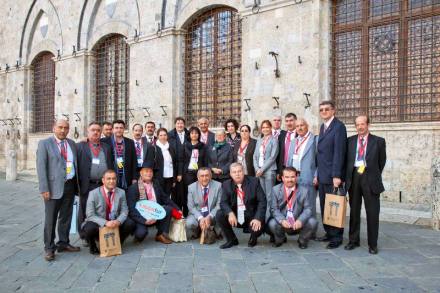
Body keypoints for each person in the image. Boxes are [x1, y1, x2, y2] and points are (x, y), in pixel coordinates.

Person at [36, 119, 81, 261]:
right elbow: (41, 167)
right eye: (60, 127)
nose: (63, 130)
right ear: (54, 128)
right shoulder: (45, 144)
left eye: (66, 128)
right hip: (52, 188)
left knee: (66, 217)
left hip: (70, 185)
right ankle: (49, 248)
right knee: (51, 219)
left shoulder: (72, 144)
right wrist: (44, 188)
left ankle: (63, 243)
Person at [344, 115, 386, 254]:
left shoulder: (379, 141)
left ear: (368, 125)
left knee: (372, 212)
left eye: (362, 124)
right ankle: (353, 240)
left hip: (370, 178)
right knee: (354, 211)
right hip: (354, 176)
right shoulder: (349, 141)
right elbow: (346, 161)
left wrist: (372, 174)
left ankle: (372, 244)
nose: (360, 127)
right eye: (357, 124)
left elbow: (381, 162)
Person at [316, 100, 347, 249]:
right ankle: (329, 232)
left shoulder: (339, 127)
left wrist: (336, 175)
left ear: (333, 111)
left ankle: (337, 237)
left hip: (332, 176)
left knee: (334, 206)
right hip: (322, 174)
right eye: (321, 110)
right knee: (324, 206)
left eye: (326, 109)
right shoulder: (323, 127)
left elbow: (339, 153)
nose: (323, 112)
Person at [81, 170, 135, 254]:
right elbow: (90, 215)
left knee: (130, 223)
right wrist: (105, 223)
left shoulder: (121, 192)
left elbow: (125, 210)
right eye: (108, 179)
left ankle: (118, 243)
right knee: (88, 228)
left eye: (114, 179)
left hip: (115, 222)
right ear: (103, 180)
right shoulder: (93, 193)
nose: (111, 181)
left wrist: (118, 221)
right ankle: (93, 245)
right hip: (99, 224)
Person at [76, 122, 113, 240]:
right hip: (87, 184)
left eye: (98, 130)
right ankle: (84, 234)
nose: (96, 132)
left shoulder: (106, 147)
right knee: (84, 209)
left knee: (101, 209)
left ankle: (98, 233)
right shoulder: (80, 146)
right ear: (88, 131)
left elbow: (111, 164)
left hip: (103, 185)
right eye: (93, 130)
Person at [126, 164, 181, 244]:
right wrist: (144, 221)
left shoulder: (156, 184)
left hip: (156, 214)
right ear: (141, 173)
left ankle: (160, 234)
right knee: (141, 233)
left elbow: (165, 198)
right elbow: (131, 210)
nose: (149, 173)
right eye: (146, 171)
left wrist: (178, 209)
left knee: (168, 209)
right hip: (142, 218)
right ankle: (138, 237)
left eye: (151, 171)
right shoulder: (133, 188)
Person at [216, 163, 267, 248]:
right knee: (220, 214)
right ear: (230, 174)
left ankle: (253, 238)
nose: (237, 174)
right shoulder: (226, 184)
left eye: (239, 171)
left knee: (258, 225)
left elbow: (262, 201)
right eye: (234, 172)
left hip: (251, 215)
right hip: (235, 216)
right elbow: (223, 202)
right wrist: (230, 213)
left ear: (243, 172)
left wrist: (257, 218)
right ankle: (231, 239)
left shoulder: (254, 182)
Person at [268, 167, 318, 249]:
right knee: (272, 223)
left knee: (313, 222)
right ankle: (281, 239)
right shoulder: (275, 190)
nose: (290, 180)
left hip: (297, 222)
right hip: (284, 221)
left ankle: (302, 240)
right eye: (287, 177)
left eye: (292, 177)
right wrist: (282, 220)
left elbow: (308, 209)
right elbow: (274, 208)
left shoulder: (304, 191)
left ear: (296, 177)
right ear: (282, 178)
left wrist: (300, 220)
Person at [288, 118, 318, 218]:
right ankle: (298, 225)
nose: (299, 128)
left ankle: (310, 228)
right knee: (296, 203)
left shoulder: (315, 139)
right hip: (294, 177)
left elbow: (320, 160)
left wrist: (316, 175)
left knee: (309, 204)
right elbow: (289, 160)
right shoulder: (293, 141)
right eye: (297, 126)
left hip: (308, 176)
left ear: (307, 126)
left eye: (302, 125)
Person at [253, 120, 279, 221]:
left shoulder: (274, 140)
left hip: (269, 171)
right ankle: (262, 216)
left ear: (270, 128)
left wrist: (262, 169)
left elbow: (273, 157)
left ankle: (269, 218)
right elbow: (254, 156)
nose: (265, 129)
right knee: (262, 196)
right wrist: (257, 169)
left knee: (269, 196)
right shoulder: (259, 140)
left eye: (267, 127)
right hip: (259, 171)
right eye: (263, 127)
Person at [186, 168, 222, 239]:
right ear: (198, 177)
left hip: (212, 213)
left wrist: (210, 216)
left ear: (210, 176)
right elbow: (191, 207)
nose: (204, 178)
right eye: (202, 176)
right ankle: (197, 231)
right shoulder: (191, 187)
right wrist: (200, 218)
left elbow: (219, 205)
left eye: (207, 175)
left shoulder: (218, 186)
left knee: (222, 215)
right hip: (198, 213)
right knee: (189, 223)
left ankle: (216, 231)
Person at [101, 120, 137, 190]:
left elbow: (134, 160)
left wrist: (134, 178)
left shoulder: (130, 142)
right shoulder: (104, 141)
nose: (119, 130)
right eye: (116, 128)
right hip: (110, 177)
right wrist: (86, 139)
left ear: (124, 129)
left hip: (126, 177)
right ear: (113, 129)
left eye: (121, 128)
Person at [181, 126, 207, 216]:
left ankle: (200, 212)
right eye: (192, 133)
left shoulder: (203, 146)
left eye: (196, 133)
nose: (194, 135)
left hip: (200, 173)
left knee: (200, 192)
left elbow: (205, 160)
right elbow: (182, 160)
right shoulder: (185, 145)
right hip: (188, 173)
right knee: (188, 193)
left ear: (199, 135)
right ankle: (187, 212)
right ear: (189, 135)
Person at [168, 117, 189, 215]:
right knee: (176, 193)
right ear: (175, 124)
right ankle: (177, 215)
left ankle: (187, 213)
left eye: (181, 123)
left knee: (186, 192)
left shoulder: (189, 134)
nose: (180, 125)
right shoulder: (170, 135)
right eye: (178, 123)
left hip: (188, 169)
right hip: (175, 168)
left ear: (184, 125)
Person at [154, 128, 182, 197]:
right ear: (157, 136)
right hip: (159, 178)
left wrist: (174, 179)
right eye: (161, 135)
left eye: (165, 135)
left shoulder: (171, 147)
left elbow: (175, 163)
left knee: (167, 196)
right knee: (159, 196)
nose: (163, 137)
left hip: (170, 176)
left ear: (167, 136)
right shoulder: (154, 148)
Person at [276, 113, 297, 181]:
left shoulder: (299, 134)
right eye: (287, 121)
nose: (289, 123)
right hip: (283, 169)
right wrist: (279, 171)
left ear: (296, 121)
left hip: (295, 169)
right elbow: (279, 155)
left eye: (291, 120)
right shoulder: (281, 135)